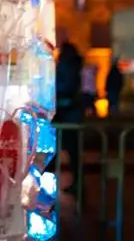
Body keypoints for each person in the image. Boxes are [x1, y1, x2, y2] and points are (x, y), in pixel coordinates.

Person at [54, 42, 84, 195]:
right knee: (73, 153)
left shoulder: (66, 66)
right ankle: (77, 184)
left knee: (59, 150)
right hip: (72, 114)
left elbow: (62, 86)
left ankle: (74, 185)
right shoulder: (75, 65)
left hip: (65, 113)